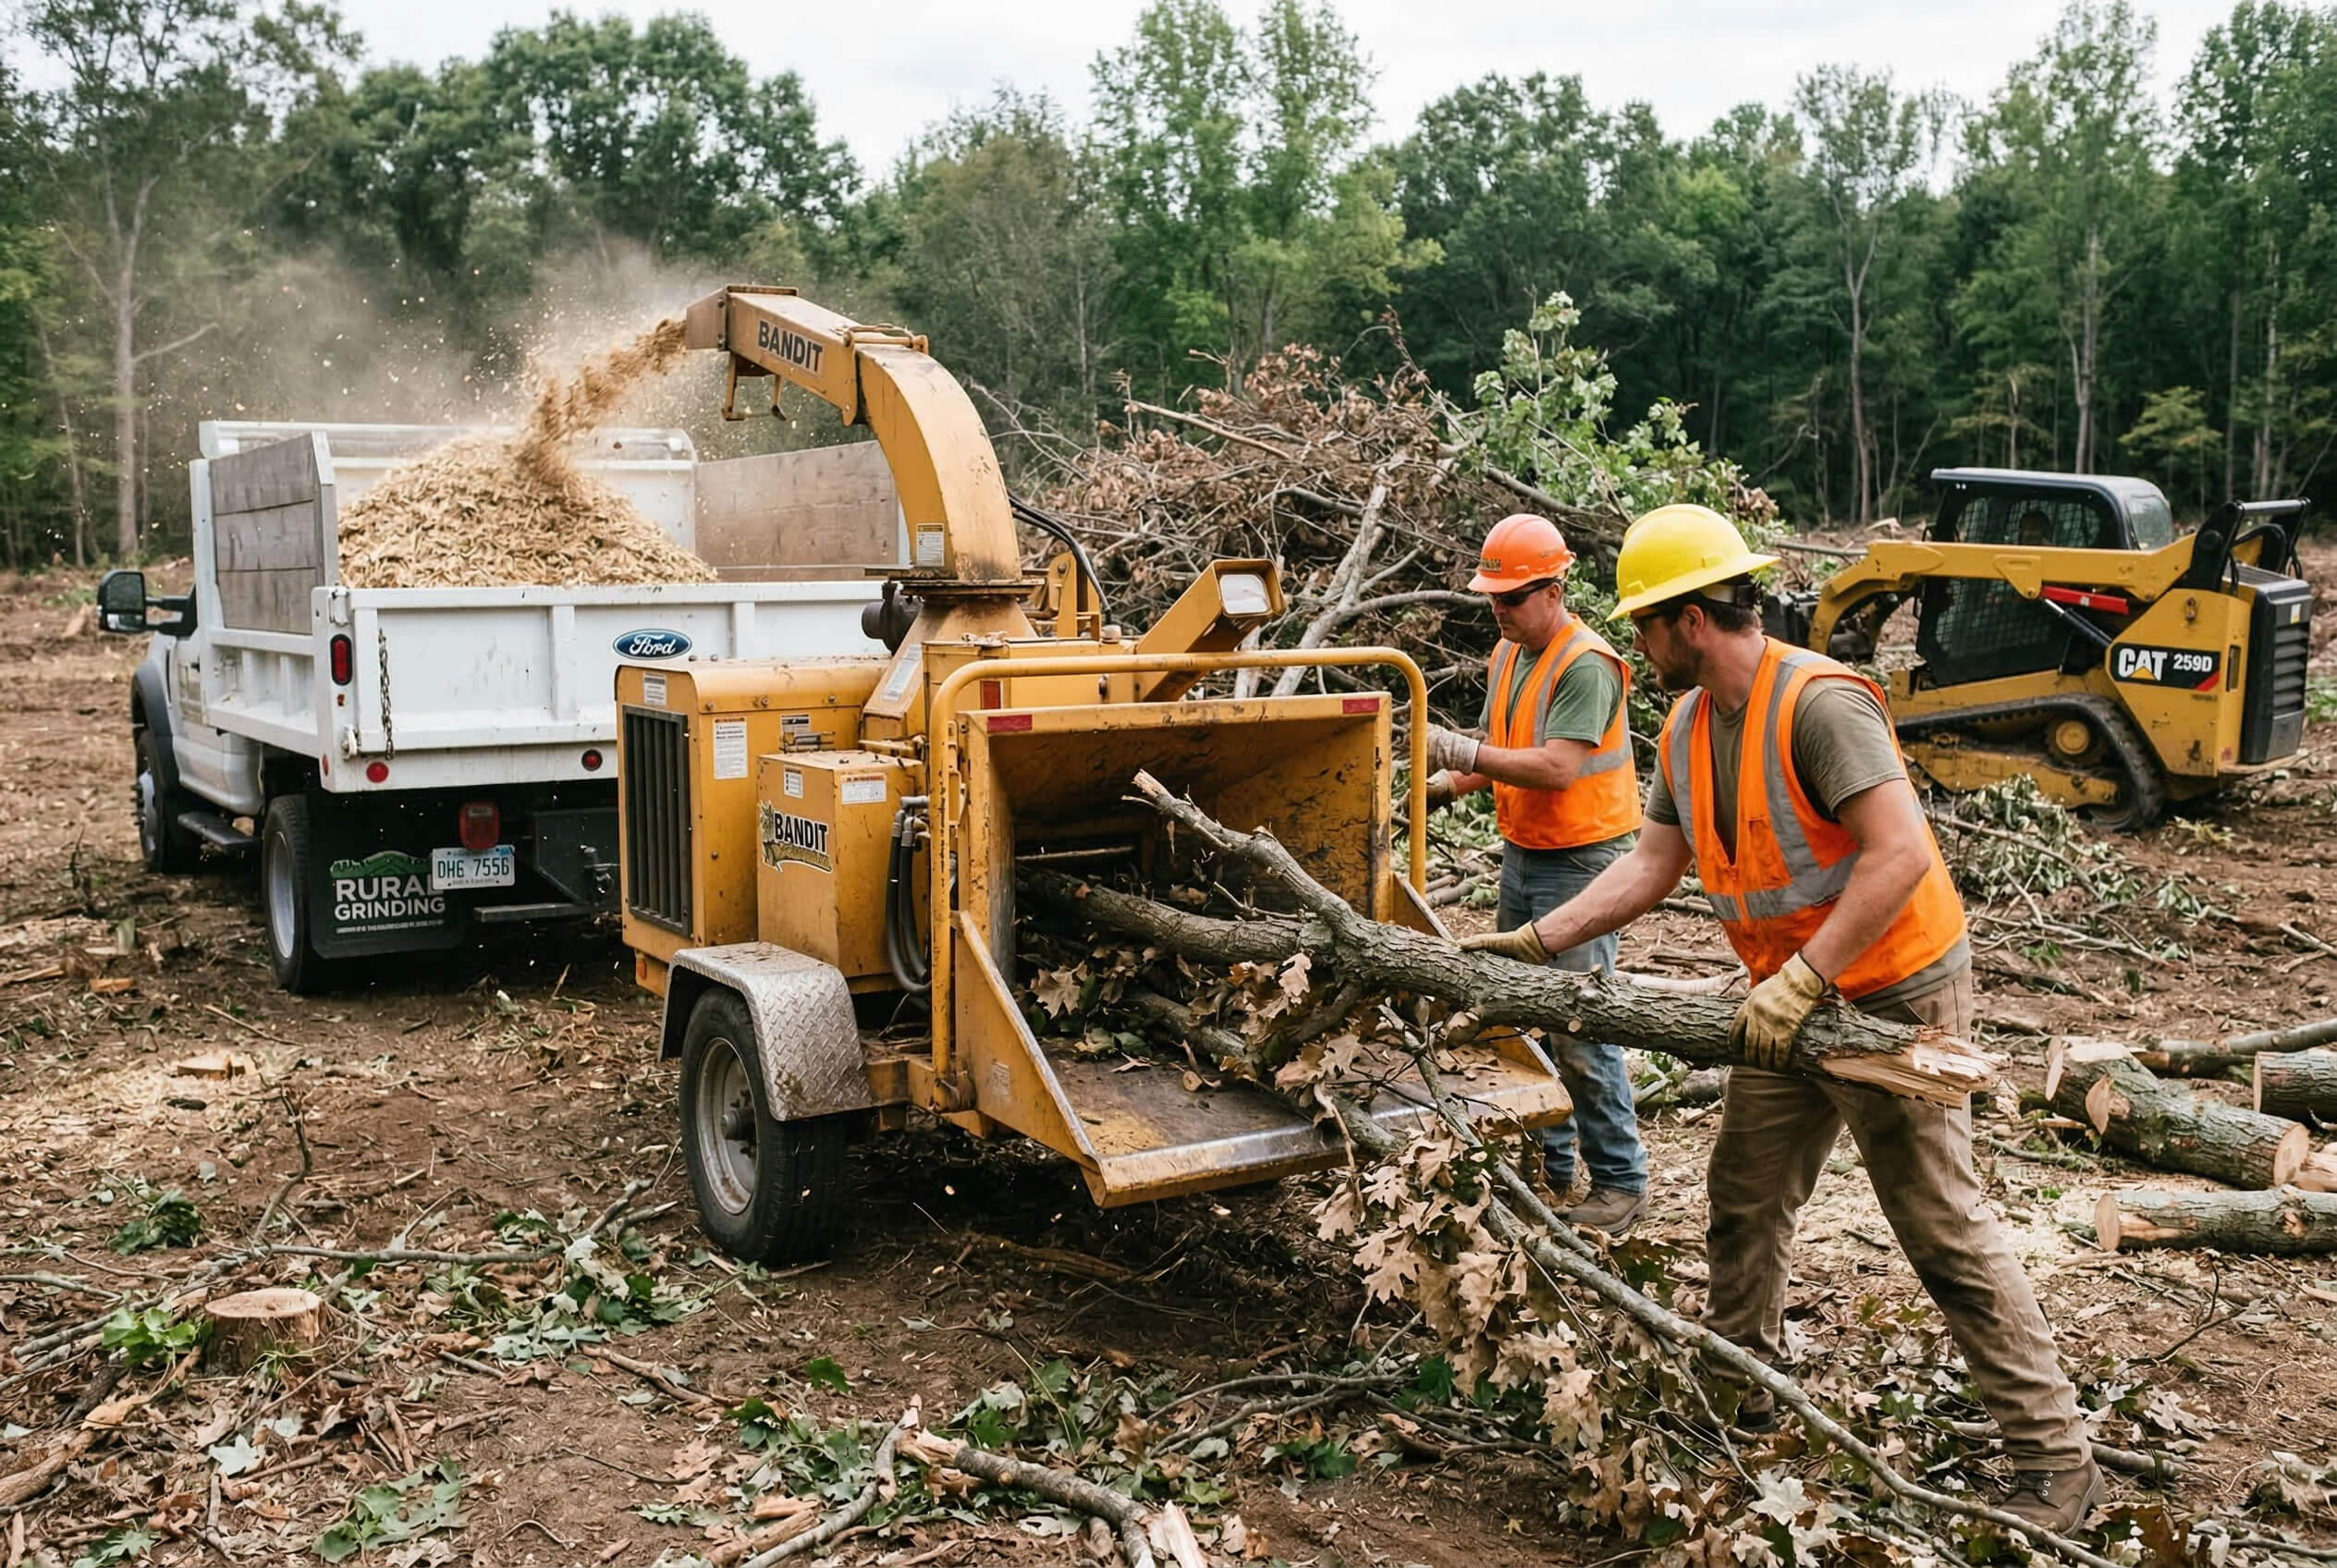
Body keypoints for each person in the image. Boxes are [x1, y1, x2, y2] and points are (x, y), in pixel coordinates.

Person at [1457, 503, 2101, 1533]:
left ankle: (2053, 1460)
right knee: (1744, 1198)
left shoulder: (1818, 705)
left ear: (1687, 619)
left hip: (1889, 994)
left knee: (1940, 1228)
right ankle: (1742, 1392)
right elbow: (1649, 866)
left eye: (1643, 624)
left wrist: (1806, 979)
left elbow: (1895, 853)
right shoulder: (1684, 722)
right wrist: (1537, 944)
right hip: (1784, 1003)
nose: (1634, 641)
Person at [1420, 513, 1650, 1233]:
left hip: (1583, 861)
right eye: (1492, 597)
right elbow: (1502, 747)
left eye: (1512, 597)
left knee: (1580, 1023)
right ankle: (1552, 1162)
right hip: (1527, 854)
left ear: (1554, 589)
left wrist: (1454, 753)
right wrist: (1440, 788)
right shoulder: (1509, 652)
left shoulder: (1586, 663)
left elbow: (1556, 767)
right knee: (1522, 1011)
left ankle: (1619, 1181)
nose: (1499, 609)